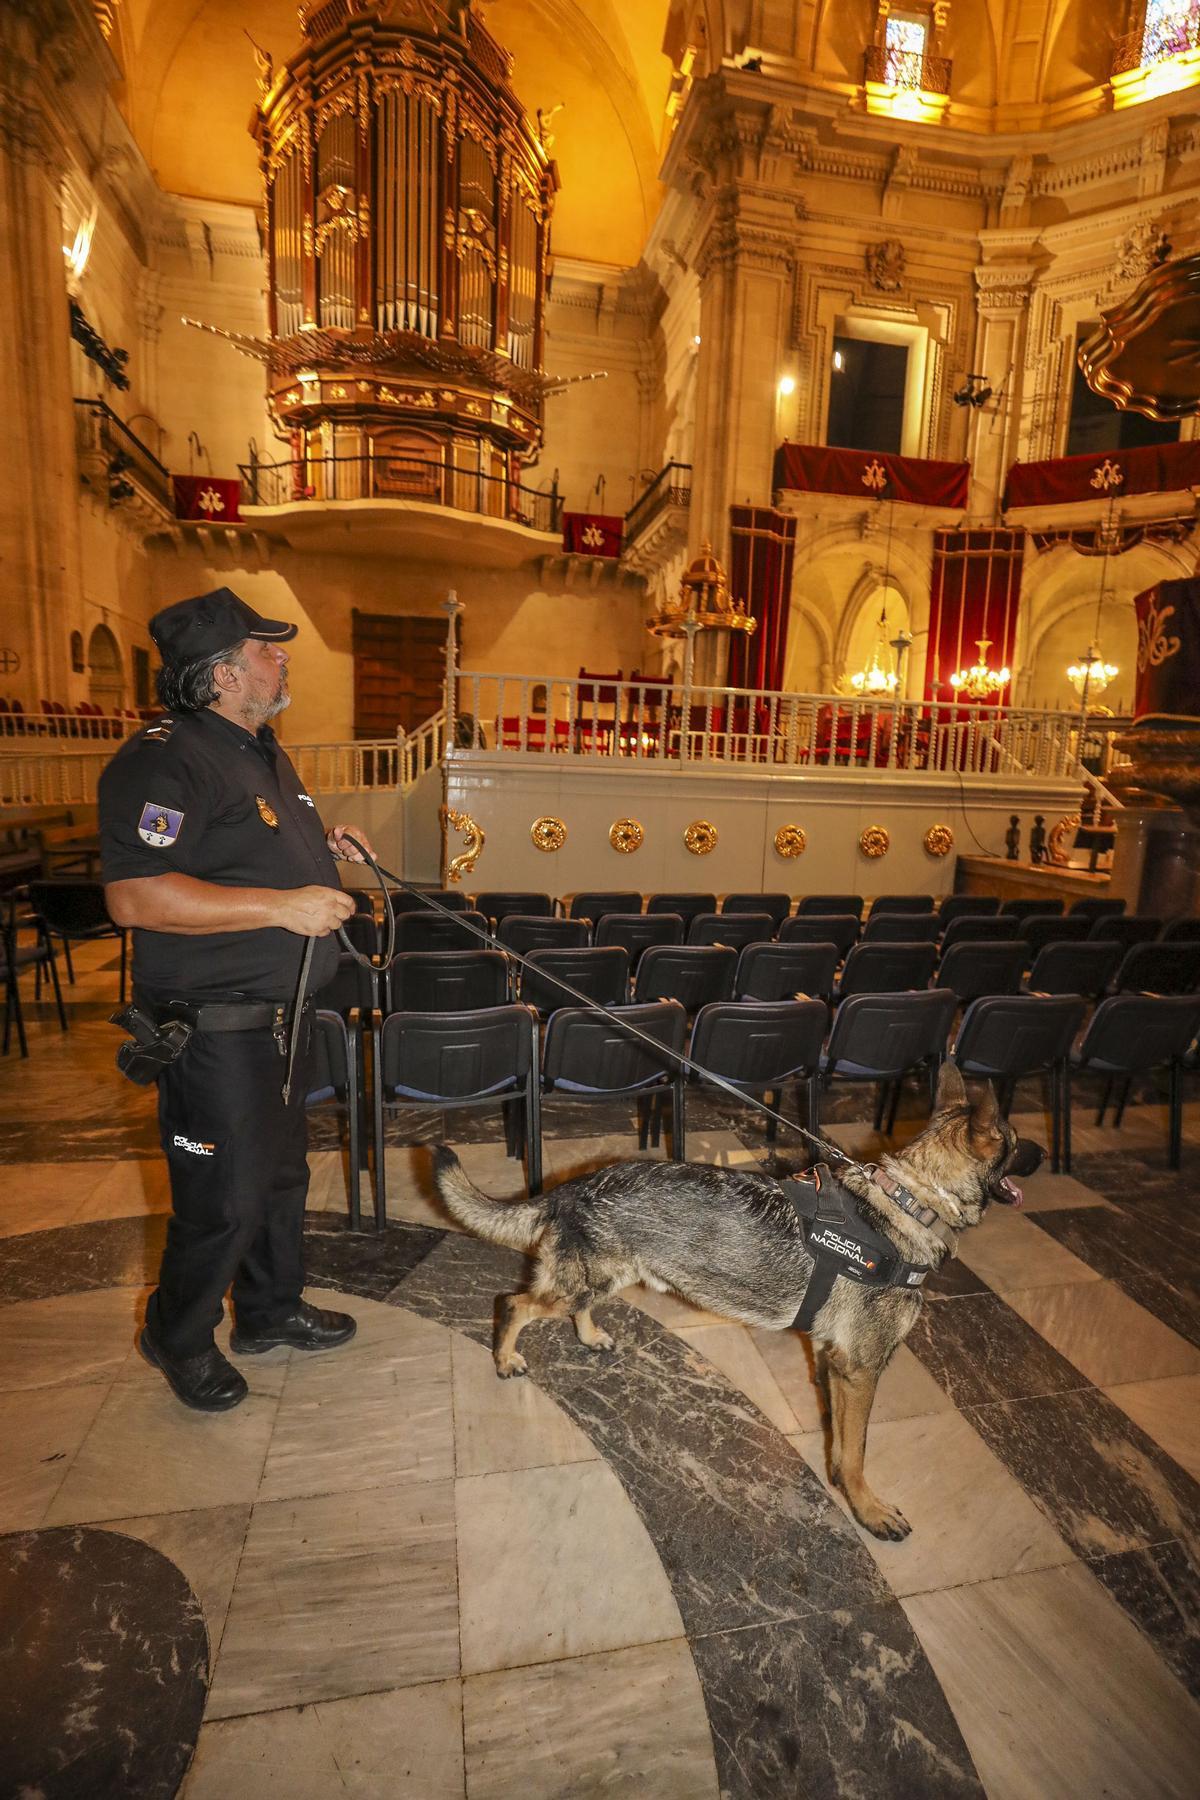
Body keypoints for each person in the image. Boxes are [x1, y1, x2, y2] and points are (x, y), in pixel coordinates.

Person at [99, 587, 372, 1412]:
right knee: (220, 1198)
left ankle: (269, 1310)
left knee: (279, 1180)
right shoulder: (164, 760)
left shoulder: (257, 749)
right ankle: (178, 1336)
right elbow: (136, 897)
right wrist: (282, 906)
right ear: (222, 674)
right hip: (215, 1030)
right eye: (265, 648)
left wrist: (323, 848)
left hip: (282, 1023)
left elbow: (238, 846)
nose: (281, 657)